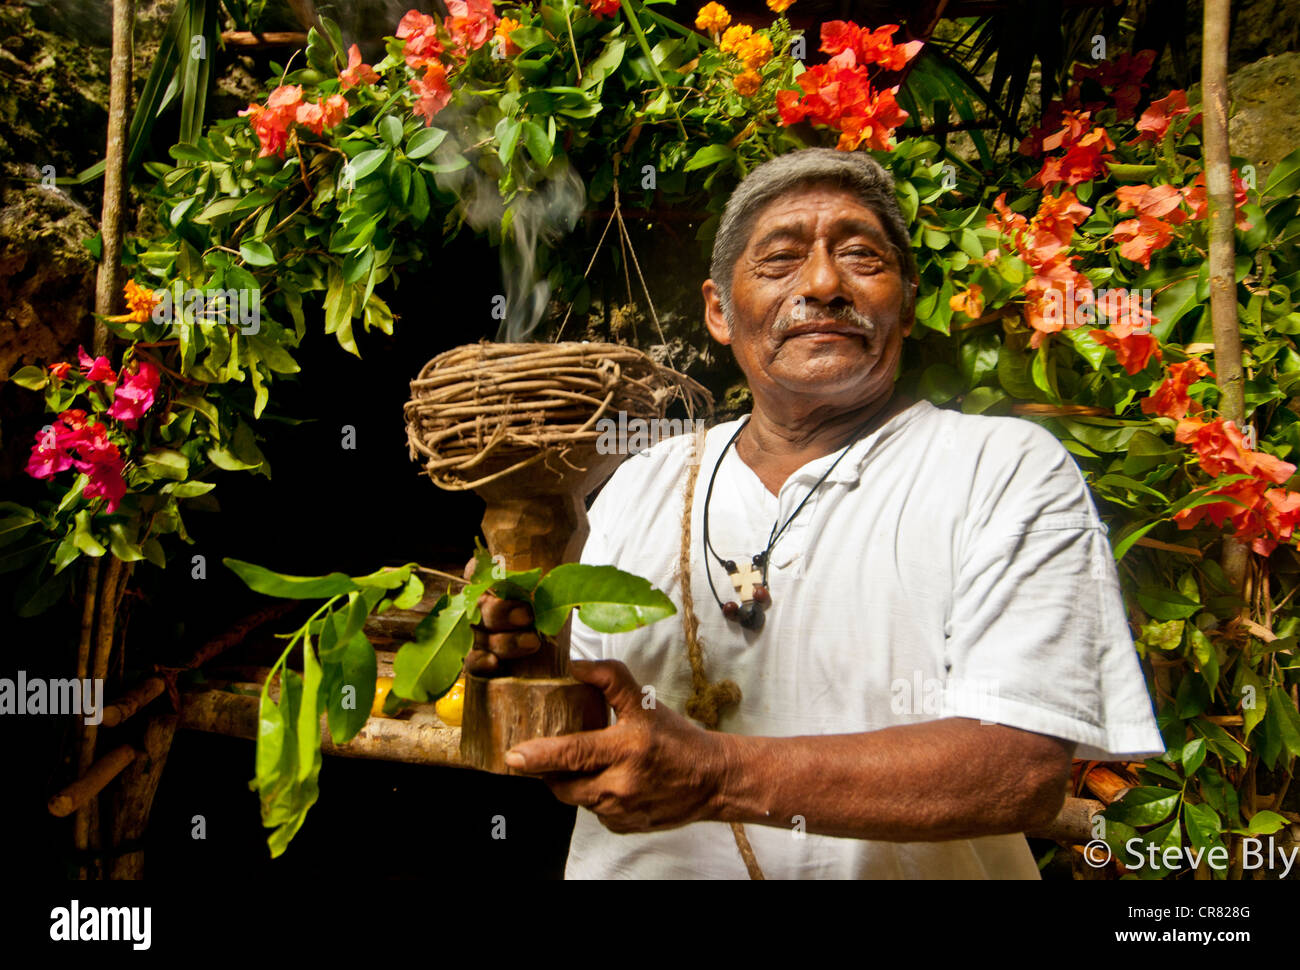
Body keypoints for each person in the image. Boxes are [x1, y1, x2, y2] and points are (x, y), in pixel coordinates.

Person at [464, 147, 1164, 879]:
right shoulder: (643, 481)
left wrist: (717, 774)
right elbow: (590, 709)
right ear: (718, 312)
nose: (825, 284)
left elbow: (1018, 771)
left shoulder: (1002, 469)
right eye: (780, 260)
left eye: (862, 256)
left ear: (909, 300)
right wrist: (516, 656)